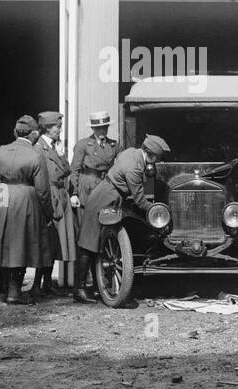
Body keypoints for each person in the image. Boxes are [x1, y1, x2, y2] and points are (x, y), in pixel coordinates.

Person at [75, 134, 169, 303]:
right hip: (106, 197)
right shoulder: (134, 168)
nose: (156, 162)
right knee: (89, 243)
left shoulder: (131, 152)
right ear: (150, 154)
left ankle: (93, 287)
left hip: (106, 192)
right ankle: (79, 290)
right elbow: (140, 200)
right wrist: (158, 212)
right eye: (156, 158)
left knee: (94, 242)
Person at [0, 115, 52, 305]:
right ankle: (14, 293)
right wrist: (49, 213)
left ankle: (6, 286)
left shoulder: (1, 150)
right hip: (25, 200)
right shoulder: (35, 155)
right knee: (21, 244)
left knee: (5, 243)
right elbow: (42, 190)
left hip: (2, 197)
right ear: (33, 134)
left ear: (15, 132)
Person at [67, 110, 118, 295]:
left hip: (105, 188)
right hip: (86, 189)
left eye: (104, 127)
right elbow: (74, 170)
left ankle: (98, 284)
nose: (102, 130)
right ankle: (80, 285)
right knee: (86, 237)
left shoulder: (114, 146)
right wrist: (73, 193)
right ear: (93, 129)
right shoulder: (83, 145)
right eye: (98, 128)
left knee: (102, 234)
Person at [31, 111, 75, 297]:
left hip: (60, 195)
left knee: (56, 242)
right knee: (46, 242)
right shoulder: (38, 149)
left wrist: (61, 155)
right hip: (48, 196)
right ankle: (36, 285)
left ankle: (47, 284)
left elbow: (67, 171)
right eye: (57, 128)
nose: (60, 131)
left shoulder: (55, 147)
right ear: (47, 128)